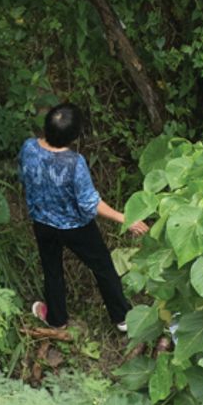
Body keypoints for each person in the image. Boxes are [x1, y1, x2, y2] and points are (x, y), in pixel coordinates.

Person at [19, 102, 148, 334]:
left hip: (42, 223)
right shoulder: (74, 163)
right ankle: (122, 318)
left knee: (52, 269)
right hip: (75, 227)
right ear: (74, 135)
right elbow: (89, 204)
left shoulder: (28, 148)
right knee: (103, 267)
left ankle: (57, 319)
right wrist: (125, 218)